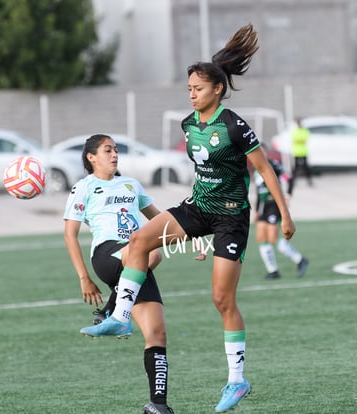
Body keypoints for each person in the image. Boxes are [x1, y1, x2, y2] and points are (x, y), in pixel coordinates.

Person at [80, 23, 296, 413]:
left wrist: (284, 214)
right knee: (141, 241)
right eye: (189, 89)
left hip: (231, 219)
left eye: (198, 88)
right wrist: (190, 232)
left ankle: (236, 380)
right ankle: (122, 315)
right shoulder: (188, 125)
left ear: (217, 89)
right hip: (197, 209)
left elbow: (265, 169)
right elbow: (203, 177)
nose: (192, 94)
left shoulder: (233, 124)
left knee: (221, 299)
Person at [63, 134, 174, 414]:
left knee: (157, 333)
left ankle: (158, 405)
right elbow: (70, 234)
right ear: (91, 157)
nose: (114, 155)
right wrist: (84, 277)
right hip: (109, 254)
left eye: (115, 150)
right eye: (107, 150)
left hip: (136, 262)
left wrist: (193, 236)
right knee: (152, 253)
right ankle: (116, 310)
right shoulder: (84, 187)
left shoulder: (132, 185)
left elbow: (160, 222)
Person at [254, 143, 309, 280]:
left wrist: (288, 195)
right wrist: (256, 209)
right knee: (261, 237)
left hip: (274, 205)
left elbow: (289, 179)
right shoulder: (256, 169)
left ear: (266, 152)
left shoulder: (275, 165)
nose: (260, 154)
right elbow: (258, 191)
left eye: (262, 151)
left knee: (273, 238)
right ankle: (273, 271)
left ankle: (300, 259)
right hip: (264, 207)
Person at [290, 118, 312, 187]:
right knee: (296, 168)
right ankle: (293, 181)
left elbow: (305, 139)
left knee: (306, 167)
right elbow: (295, 139)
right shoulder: (295, 131)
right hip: (296, 152)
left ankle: (309, 181)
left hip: (303, 151)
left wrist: (299, 140)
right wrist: (300, 140)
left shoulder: (304, 131)